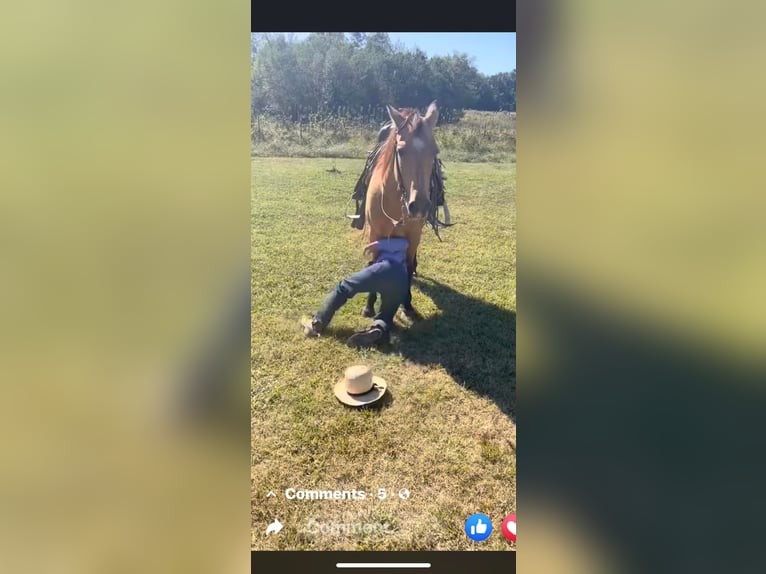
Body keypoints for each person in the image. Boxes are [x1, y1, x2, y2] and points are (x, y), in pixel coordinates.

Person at [301, 237, 410, 347]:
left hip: (385, 268)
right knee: (386, 316)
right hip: (401, 278)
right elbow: (406, 243)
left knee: (343, 288)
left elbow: (404, 242)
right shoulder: (405, 249)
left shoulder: (394, 240)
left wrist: (378, 244)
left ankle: (317, 323)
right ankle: (379, 329)